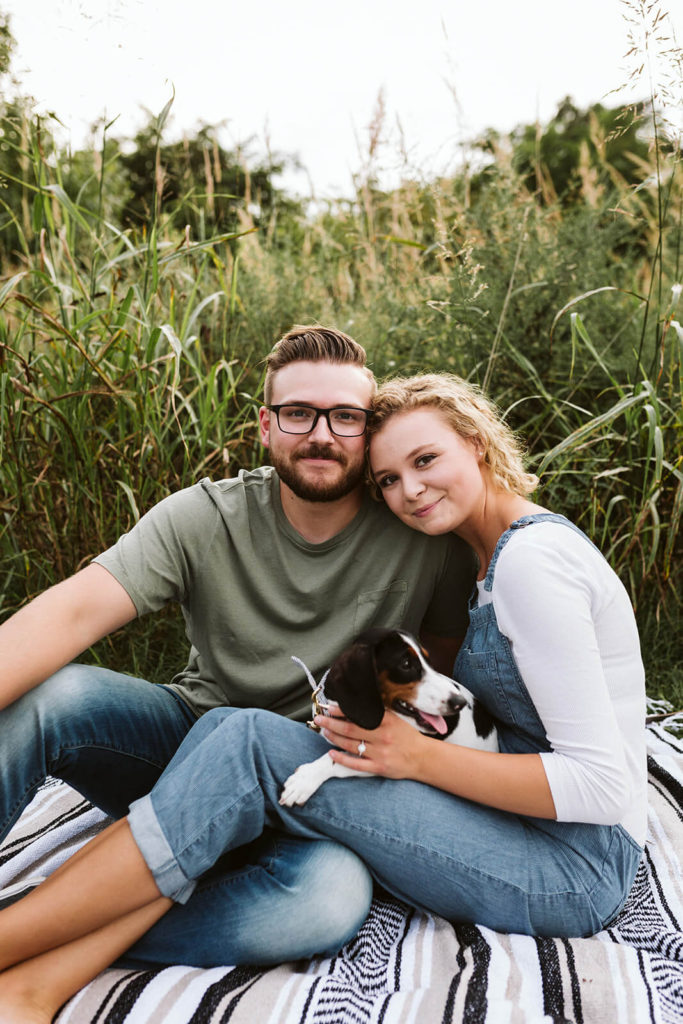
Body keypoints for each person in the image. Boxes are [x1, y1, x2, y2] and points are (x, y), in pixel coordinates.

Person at [0, 373, 646, 1024]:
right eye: (388, 479)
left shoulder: (533, 564)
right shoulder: (480, 556)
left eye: (425, 461)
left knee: (247, 743)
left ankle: (23, 949)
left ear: (476, 443)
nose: (409, 491)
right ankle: (41, 970)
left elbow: (603, 786)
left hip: (571, 865)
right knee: (240, 735)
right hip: (509, 820)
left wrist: (414, 760)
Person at [0, 337, 476, 968]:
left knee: (326, 901)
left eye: (346, 417)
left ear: (368, 429)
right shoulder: (207, 516)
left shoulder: (419, 530)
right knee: (55, 697)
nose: (322, 435)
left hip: (314, 776)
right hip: (186, 740)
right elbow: (75, 610)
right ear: (265, 424)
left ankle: (55, 927)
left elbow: (439, 672)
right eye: (298, 413)